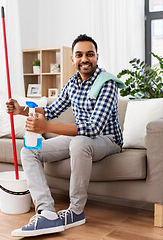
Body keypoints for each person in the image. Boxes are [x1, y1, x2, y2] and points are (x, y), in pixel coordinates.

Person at [7, 34, 123, 237]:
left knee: (79, 144)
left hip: (107, 139)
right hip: (80, 138)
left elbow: (94, 128)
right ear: (72, 59)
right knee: (29, 151)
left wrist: (47, 127)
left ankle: (76, 211)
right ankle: (47, 213)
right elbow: (51, 110)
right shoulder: (72, 83)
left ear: (97, 57)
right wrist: (21, 110)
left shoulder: (107, 83)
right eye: (79, 55)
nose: (84, 59)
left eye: (89, 54)